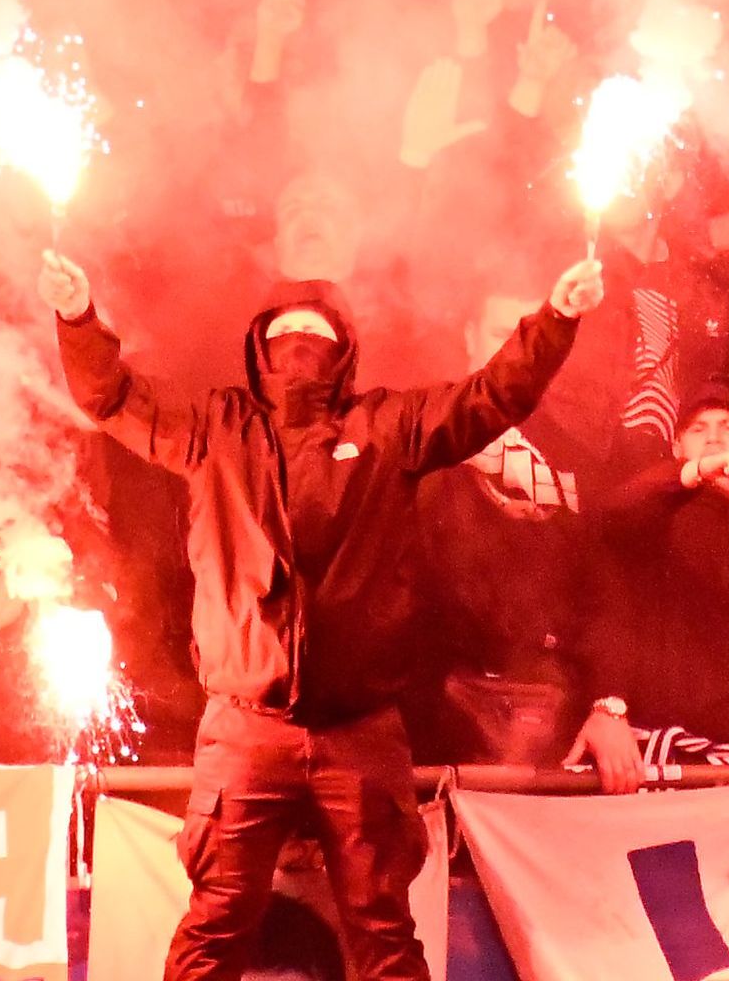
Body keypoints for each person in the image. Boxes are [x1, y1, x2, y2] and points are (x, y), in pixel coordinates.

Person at [47, 240, 600, 981]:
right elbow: (109, 395)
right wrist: (78, 315)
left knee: (381, 931)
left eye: (317, 334)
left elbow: (489, 397)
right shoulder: (215, 426)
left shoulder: (387, 426)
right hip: (246, 725)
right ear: (257, 346)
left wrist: (556, 319)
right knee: (215, 923)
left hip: (359, 731)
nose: (298, 347)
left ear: (343, 352)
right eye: (281, 333)